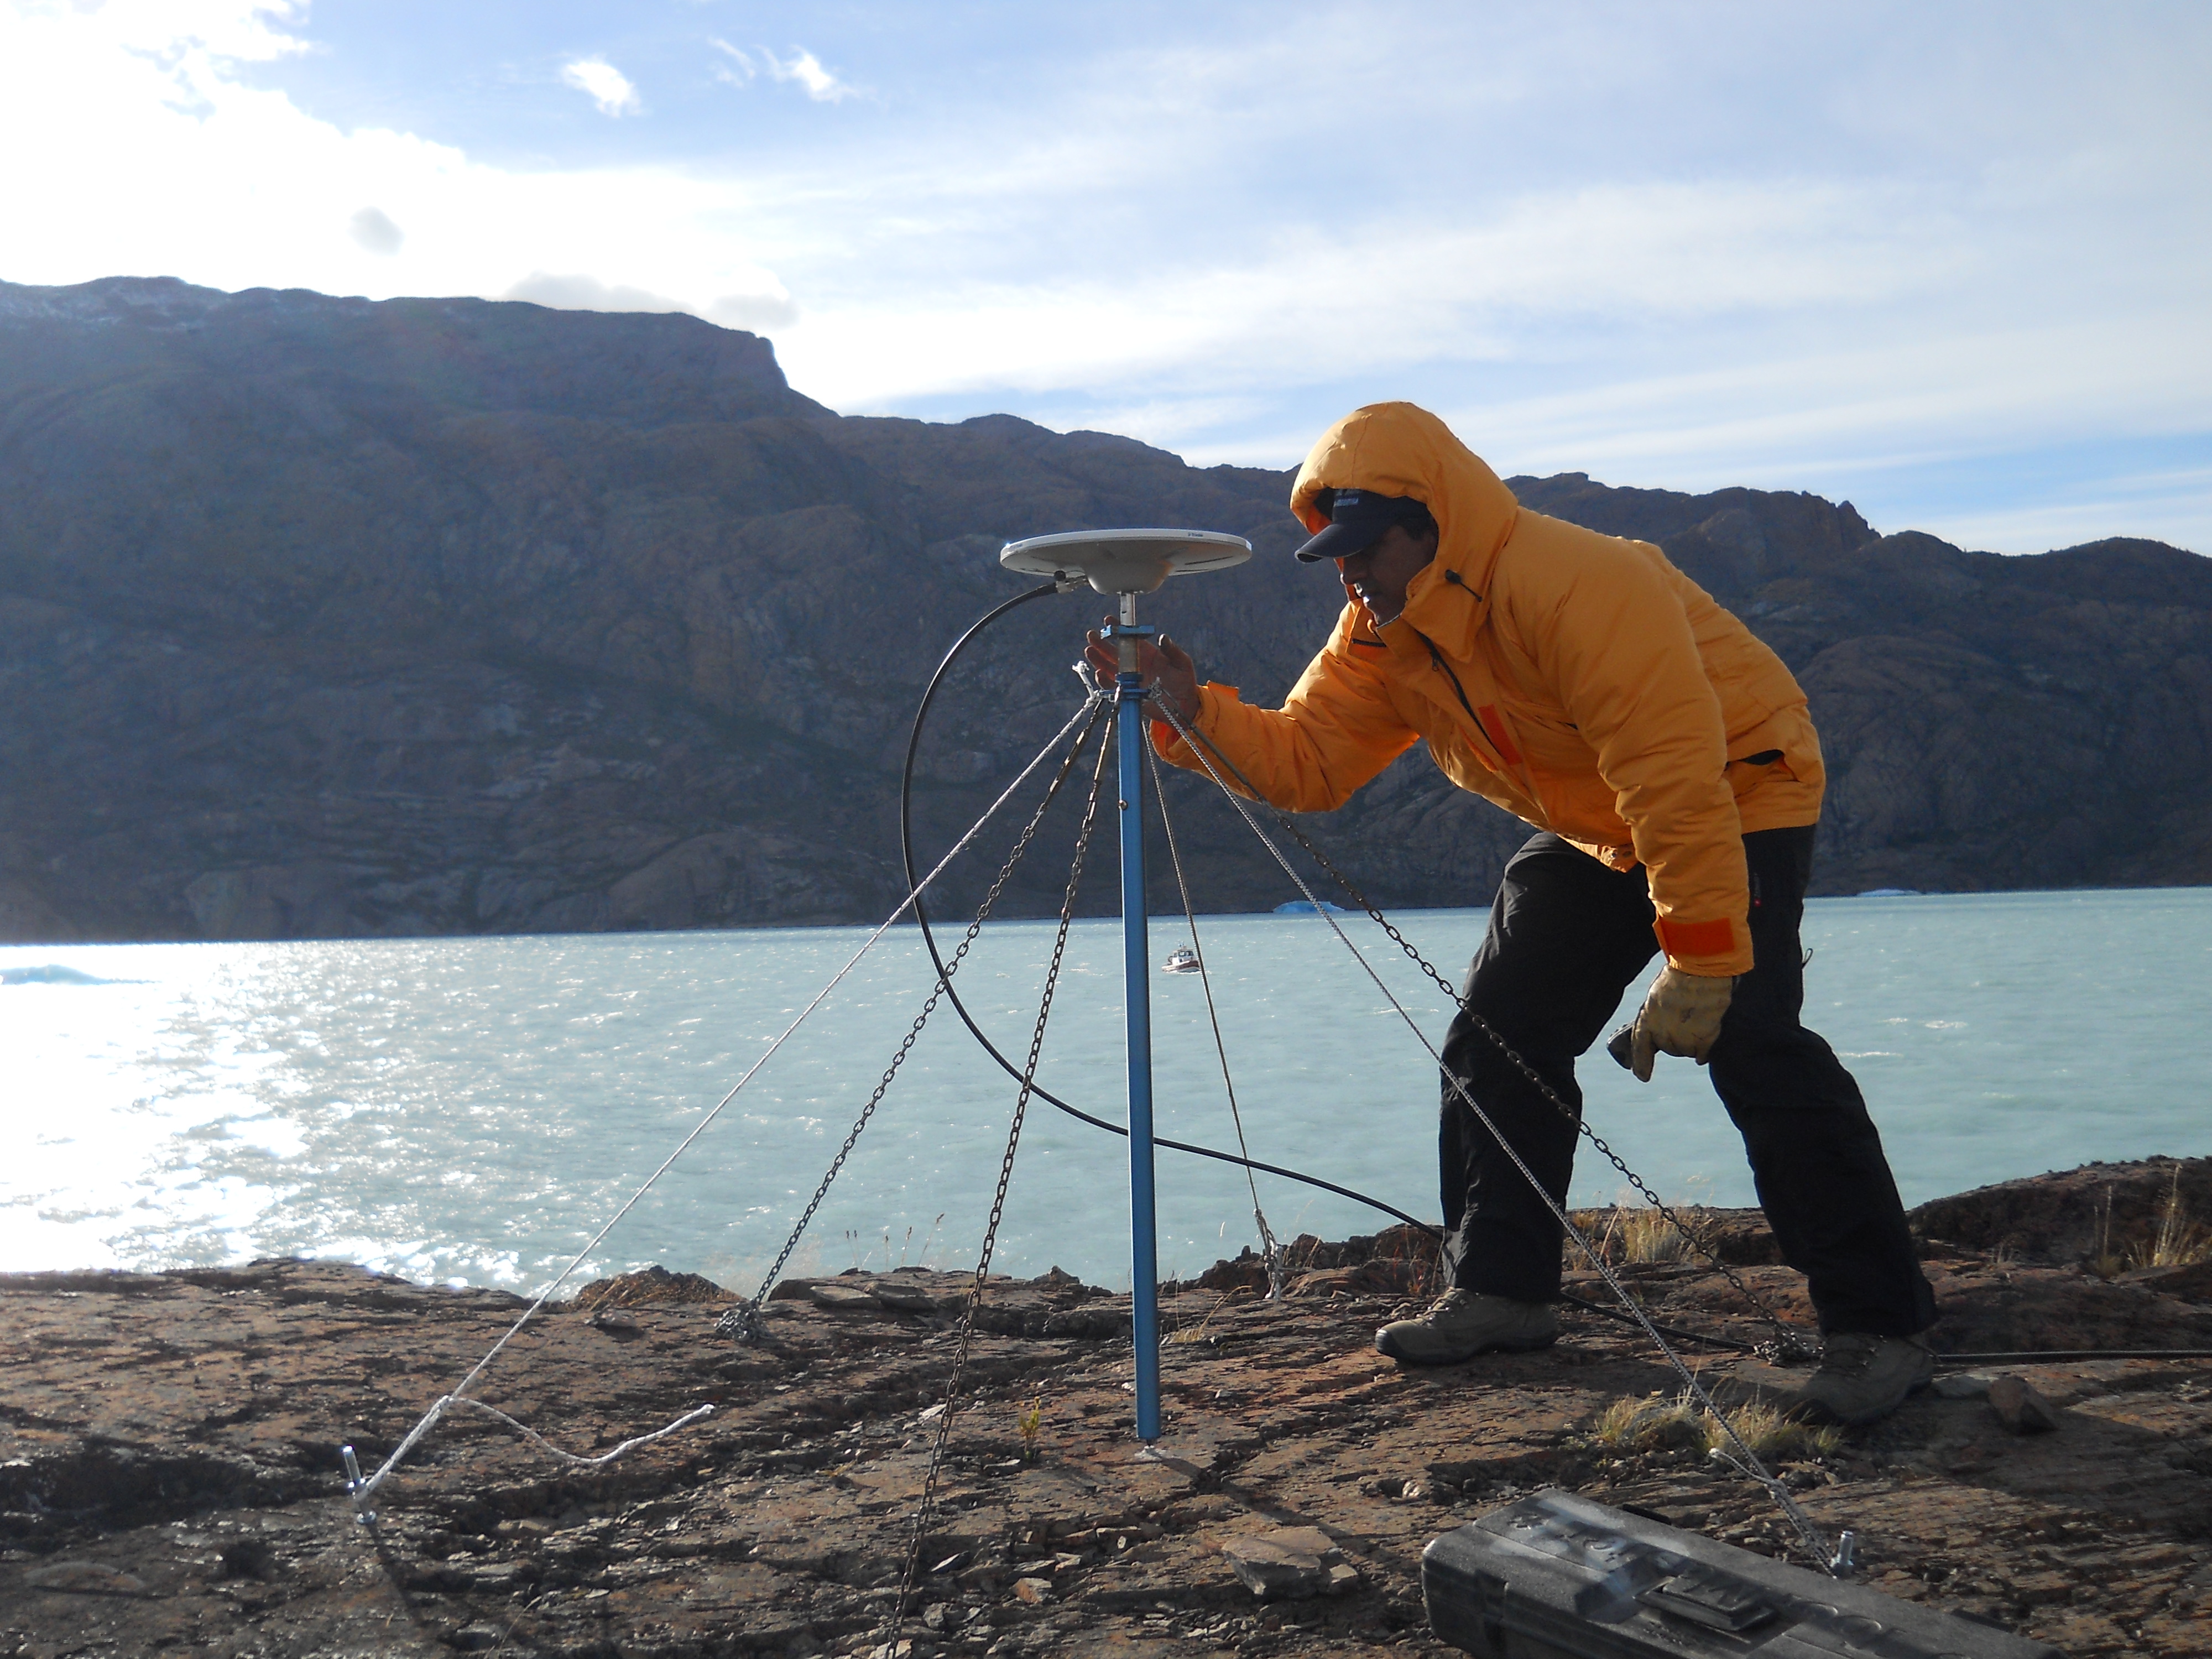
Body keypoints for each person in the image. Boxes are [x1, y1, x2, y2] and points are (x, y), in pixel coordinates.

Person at [1085, 401, 1937, 1426]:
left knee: (1753, 1041)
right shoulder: (1382, 630)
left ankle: (1879, 1330)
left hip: (1735, 787)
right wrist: (1187, 706)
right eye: (1335, 552)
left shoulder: (1582, 584)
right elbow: (1308, 764)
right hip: (1595, 824)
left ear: (1433, 519)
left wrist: (1703, 955)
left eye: (1368, 547)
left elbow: (1672, 777)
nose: (1352, 572)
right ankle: (1503, 1291)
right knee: (1498, 1033)